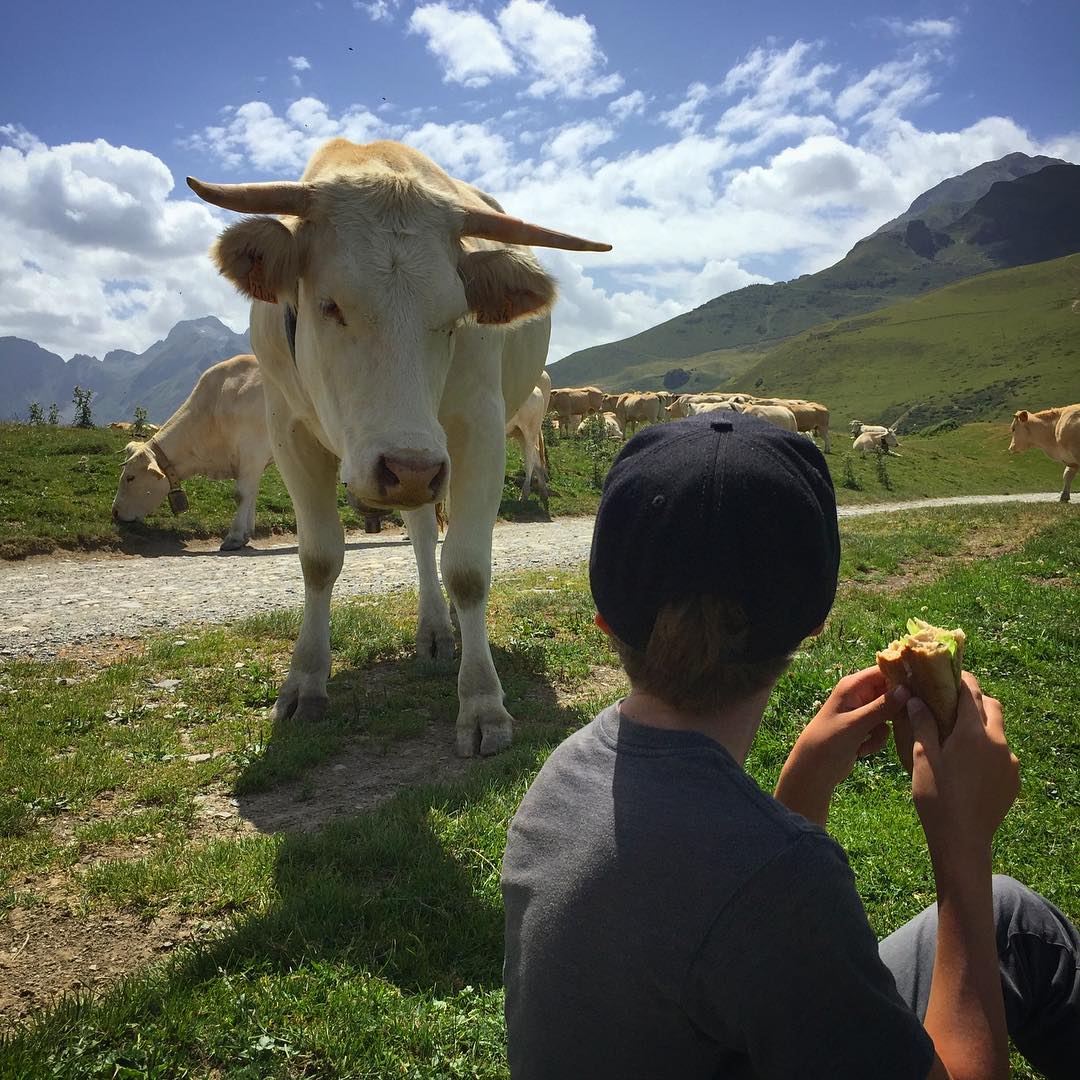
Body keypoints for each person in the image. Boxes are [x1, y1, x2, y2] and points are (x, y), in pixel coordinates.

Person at [501, 412, 1079, 1079]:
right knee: (1009, 924)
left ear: (602, 617)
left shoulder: (561, 776)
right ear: (815, 620)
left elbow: (716, 943)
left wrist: (804, 781)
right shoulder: (782, 882)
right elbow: (751, 913)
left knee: (1015, 920)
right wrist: (963, 848)